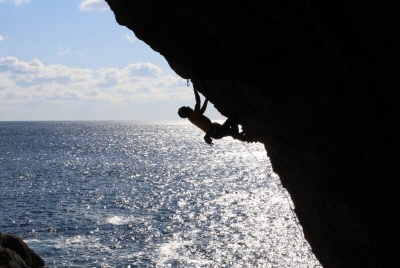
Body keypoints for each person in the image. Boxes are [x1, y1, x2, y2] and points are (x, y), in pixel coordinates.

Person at [178, 87, 249, 145]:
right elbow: (198, 101)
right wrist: (194, 88)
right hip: (217, 131)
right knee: (233, 120)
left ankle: (237, 135)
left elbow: (202, 110)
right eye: (186, 108)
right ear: (186, 113)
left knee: (232, 122)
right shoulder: (193, 116)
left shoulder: (193, 117)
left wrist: (206, 99)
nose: (188, 106)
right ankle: (239, 135)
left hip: (217, 132)